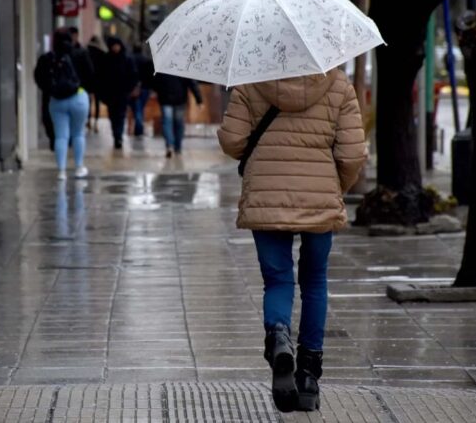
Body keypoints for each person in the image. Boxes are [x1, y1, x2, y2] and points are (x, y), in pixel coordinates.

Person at [217, 71, 366, 412]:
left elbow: (233, 141)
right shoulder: (339, 85)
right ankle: (309, 376)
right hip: (319, 197)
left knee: (278, 280)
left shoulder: (251, 82)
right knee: (314, 282)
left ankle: (279, 336)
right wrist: (334, 188)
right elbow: (352, 154)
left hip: (267, 195)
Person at [34, 28, 91, 180]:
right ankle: (79, 167)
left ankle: (61, 171)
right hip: (78, 97)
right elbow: (90, 75)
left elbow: (39, 78)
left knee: (61, 136)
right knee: (78, 133)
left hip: (57, 100)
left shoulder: (46, 58)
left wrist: (51, 90)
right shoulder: (80, 54)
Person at [98, 36, 138, 149]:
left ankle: (118, 136)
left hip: (123, 93)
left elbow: (133, 75)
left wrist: (129, 88)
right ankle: (116, 135)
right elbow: (101, 77)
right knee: (113, 116)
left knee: (120, 116)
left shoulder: (126, 59)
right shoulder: (106, 59)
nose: (115, 48)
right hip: (110, 94)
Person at [152, 73, 203, 158]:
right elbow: (192, 83)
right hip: (180, 99)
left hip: (165, 99)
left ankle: (169, 145)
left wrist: (159, 91)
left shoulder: (162, 67)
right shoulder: (182, 67)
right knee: (178, 124)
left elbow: (155, 82)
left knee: (167, 122)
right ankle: (177, 147)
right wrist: (199, 99)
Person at [129, 44, 154, 137]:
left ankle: (138, 129)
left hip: (132, 88)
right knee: (139, 108)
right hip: (145, 88)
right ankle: (138, 129)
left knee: (136, 108)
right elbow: (151, 76)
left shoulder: (130, 59)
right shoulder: (146, 60)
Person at [86, 35, 107, 133]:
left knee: (88, 101)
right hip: (99, 81)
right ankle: (96, 123)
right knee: (97, 103)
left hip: (89, 80)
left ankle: (89, 120)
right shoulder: (102, 53)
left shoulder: (86, 52)